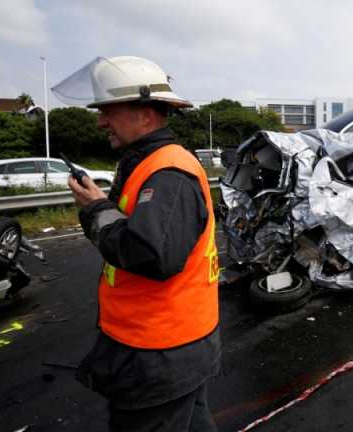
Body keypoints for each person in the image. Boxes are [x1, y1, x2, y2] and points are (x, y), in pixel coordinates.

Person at [52, 56, 221, 432]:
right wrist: (101, 207)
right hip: (173, 345)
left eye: (107, 110)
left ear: (145, 114)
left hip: (160, 353)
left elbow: (151, 256)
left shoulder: (167, 173)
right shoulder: (148, 164)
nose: (100, 121)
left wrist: (96, 210)